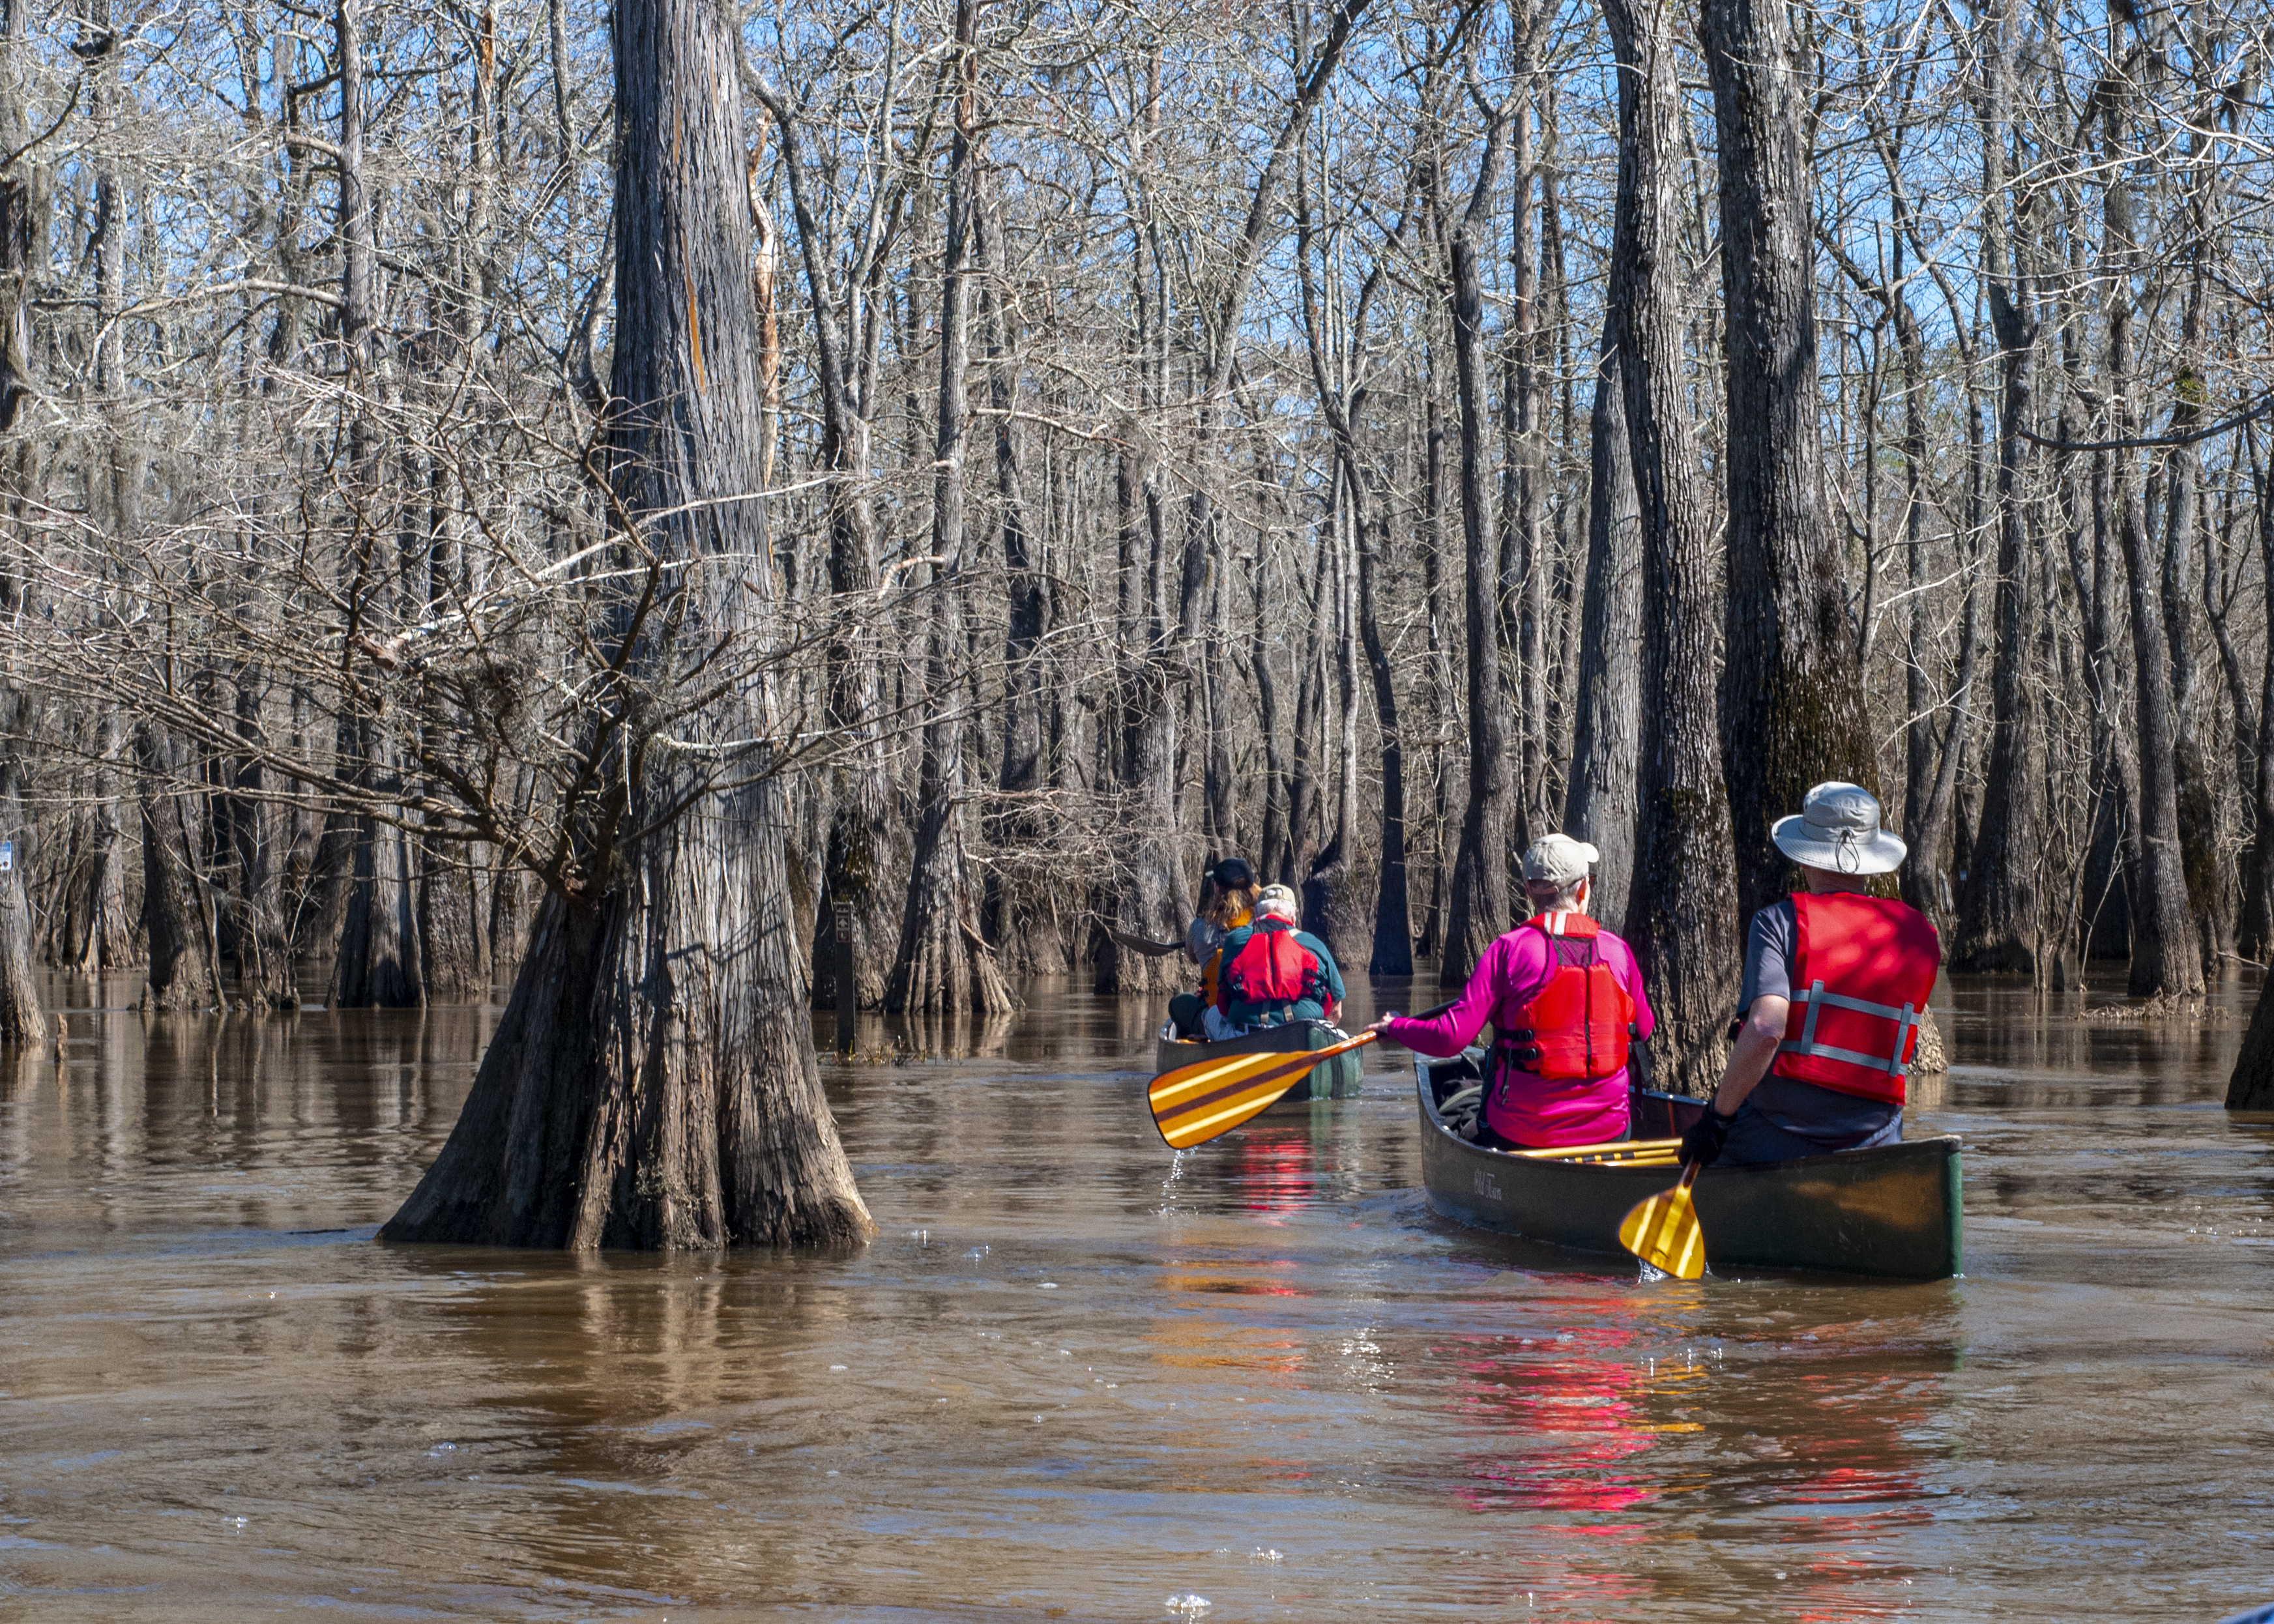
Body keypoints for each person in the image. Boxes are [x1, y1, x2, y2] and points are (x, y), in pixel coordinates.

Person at [1680, 781, 1942, 1169]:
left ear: (1804, 857)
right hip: (1877, 1138)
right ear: (1871, 859)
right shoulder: (1920, 937)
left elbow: (1767, 1029)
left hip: (1777, 1134)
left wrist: (1716, 1119)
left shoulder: (1777, 923)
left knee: (1700, 1154)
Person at [1367, 834, 1655, 1150]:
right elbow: (1645, 1028)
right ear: (1584, 888)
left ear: (1529, 890)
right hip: (1611, 1131)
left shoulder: (1507, 950)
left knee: (1474, 1100)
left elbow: (1450, 1039)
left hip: (1524, 1136)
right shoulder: (1619, 952)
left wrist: (1396, 1026)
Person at [1209, 884, 1345, 1039]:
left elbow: (1223, 1006)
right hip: (1304, 1037)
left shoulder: (1235, 940)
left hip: (1247, 1037)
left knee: (1210, 1016)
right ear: (1293, 915)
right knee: (1340, 1035)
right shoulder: (1314, 943)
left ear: (1257, 913)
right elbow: (1336, 1011)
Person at [1167, 858, 1261, 1038]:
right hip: (1256, 1015)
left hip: (1217, 1014)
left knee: (1178, 1003)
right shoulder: (1262, 927)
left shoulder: (1199, 927)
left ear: (1217, 888)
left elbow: (1193, 957)